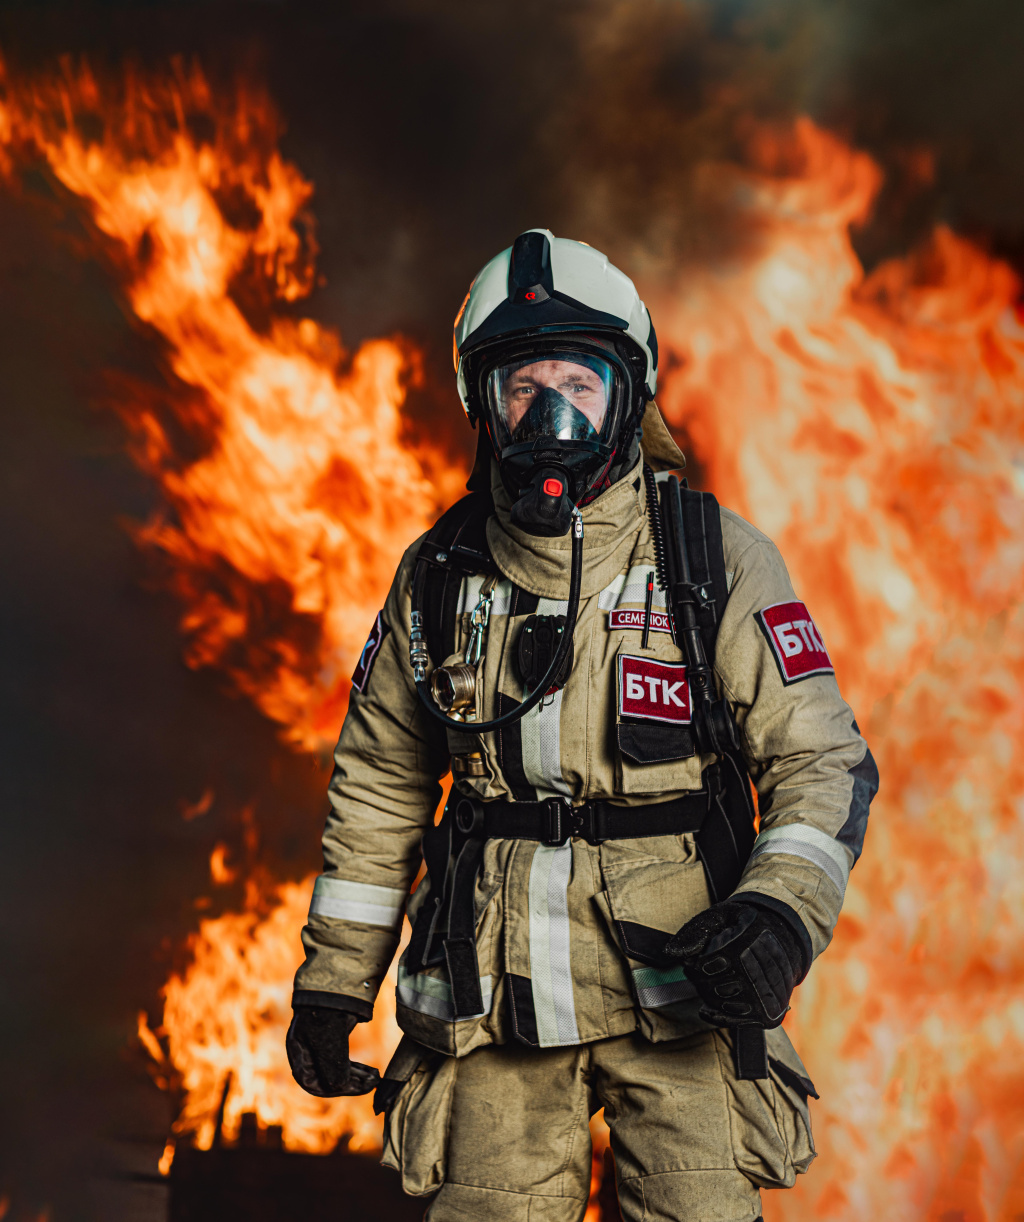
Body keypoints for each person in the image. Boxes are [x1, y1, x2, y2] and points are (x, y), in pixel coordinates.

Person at [288, 229, 878, 1222]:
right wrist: (334, 980)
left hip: (681, 983)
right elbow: (382, 781)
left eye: (579, 381)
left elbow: (819, 757)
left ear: (627, 393)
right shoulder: (438, 576)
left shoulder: (710, 560)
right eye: (523, 387)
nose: (550, 414)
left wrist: (777, 911)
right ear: (483, 402)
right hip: (491, 990)